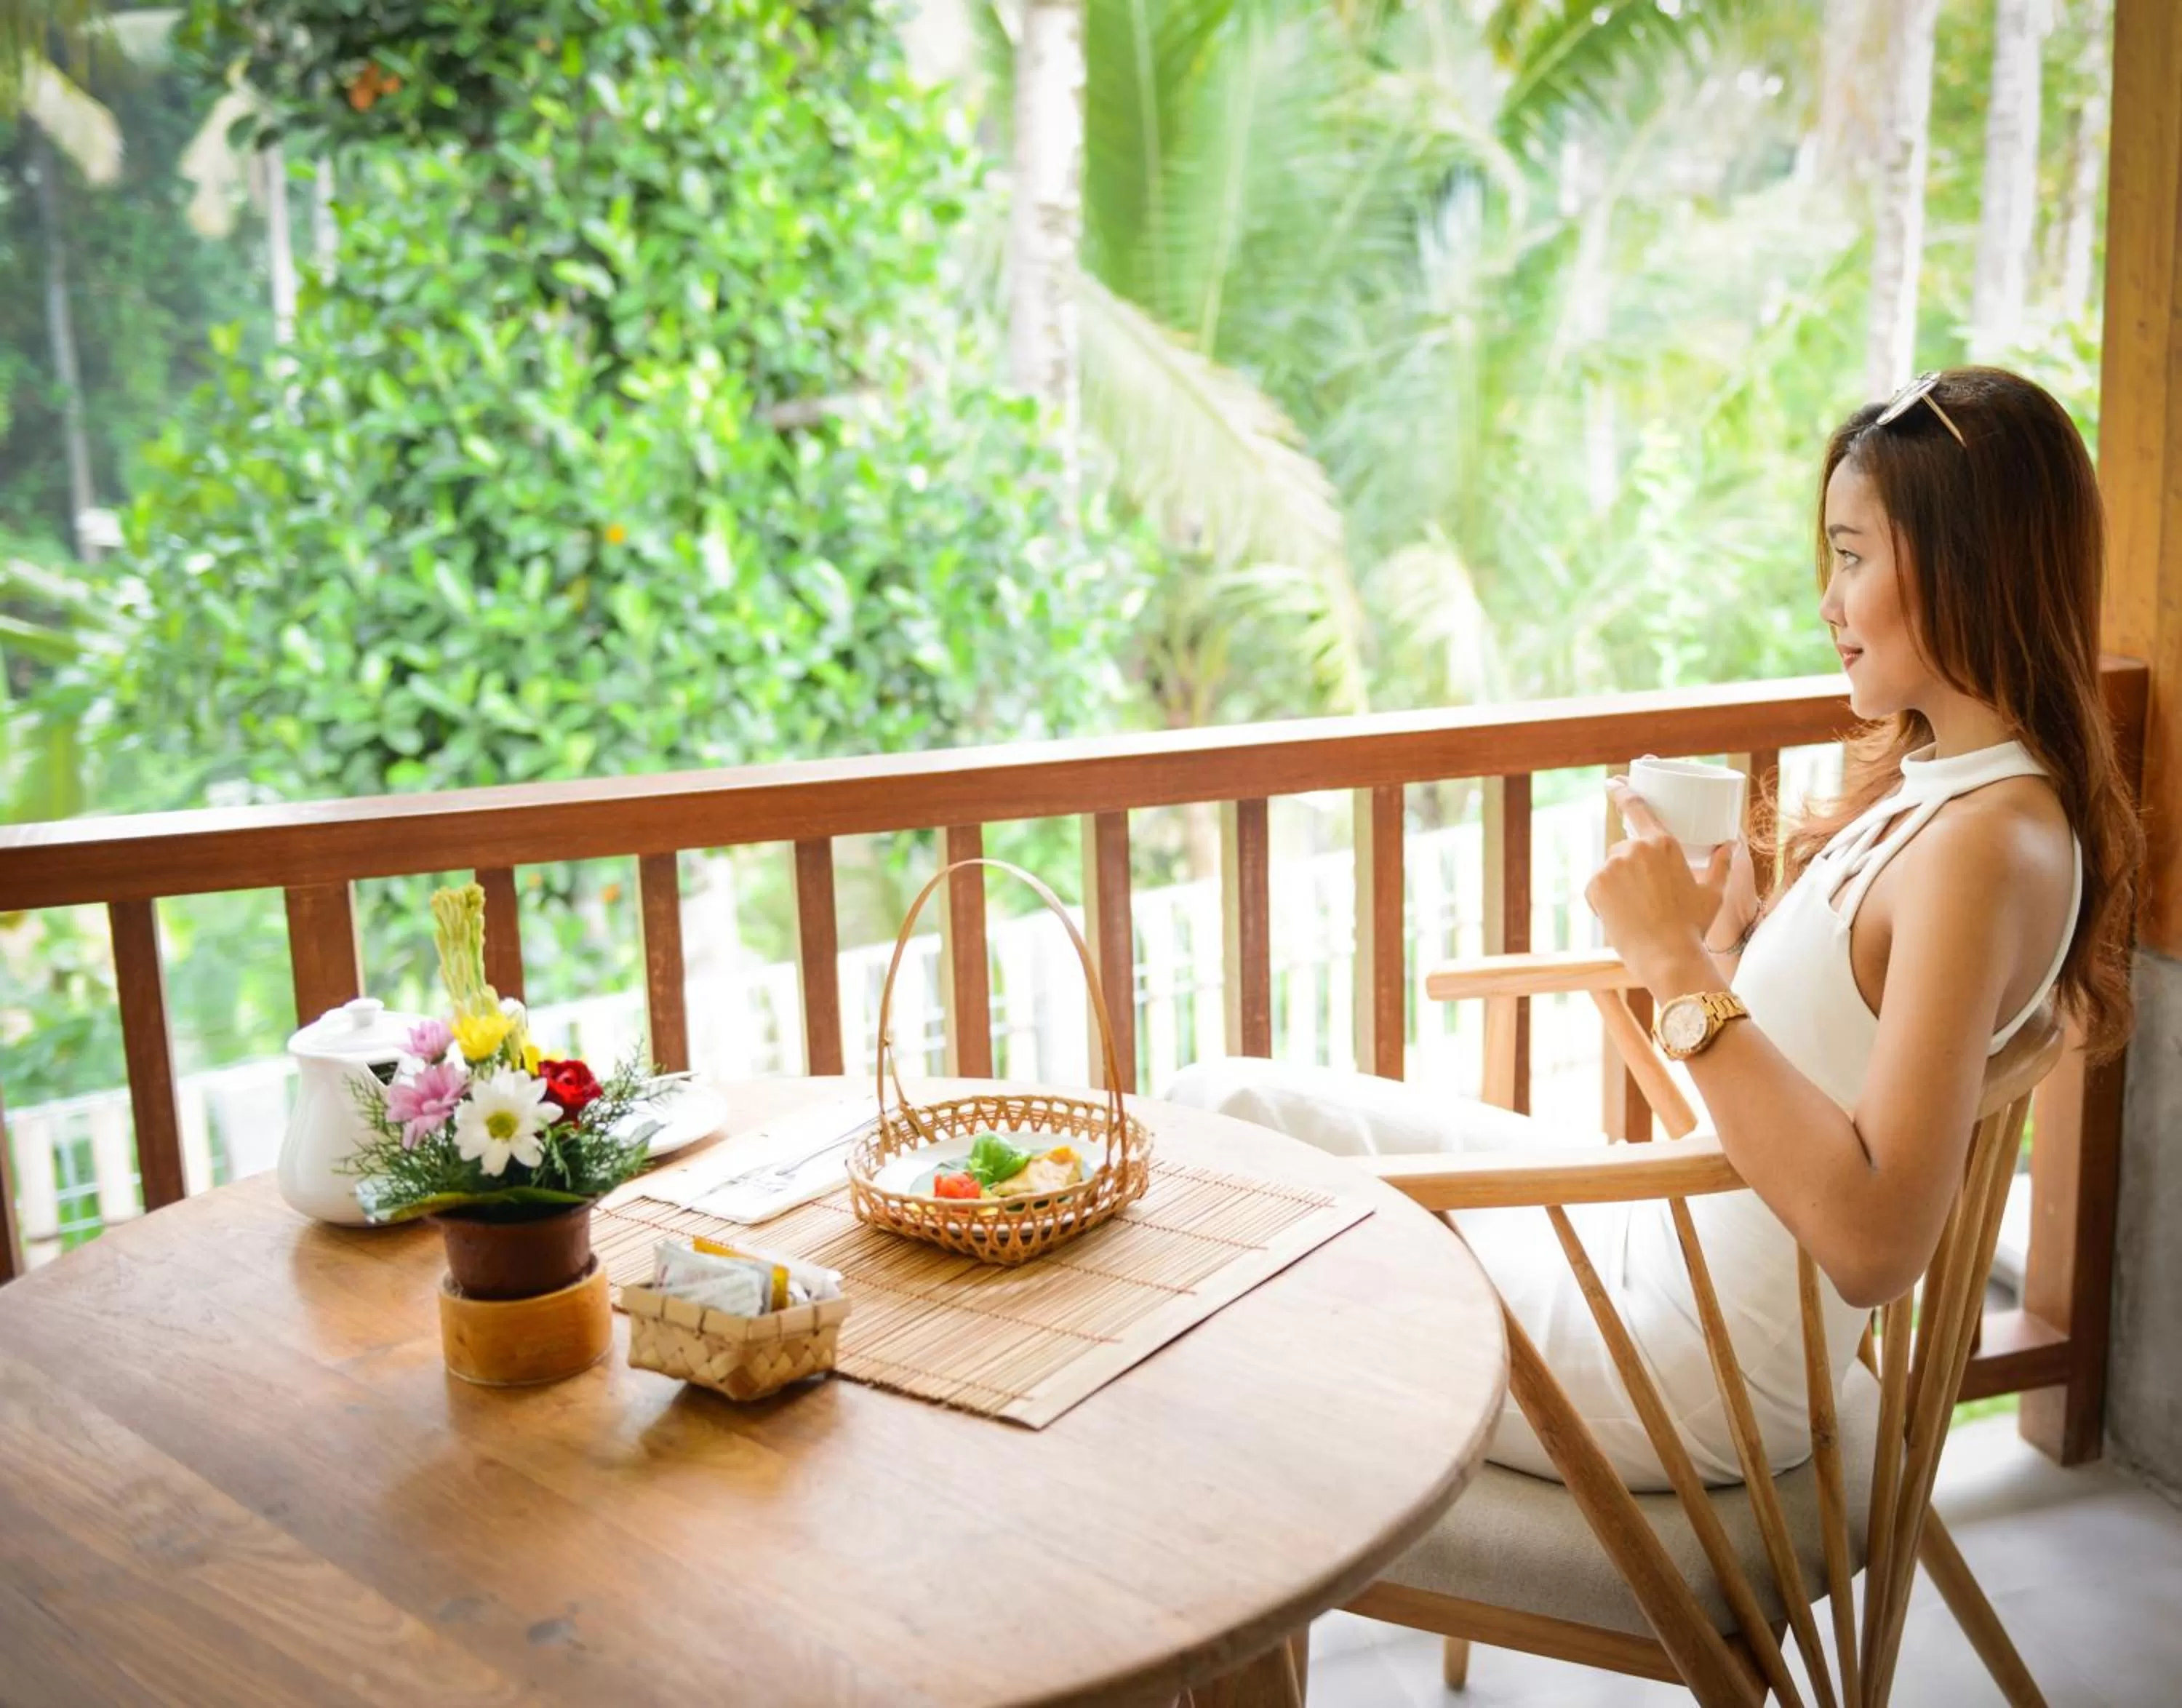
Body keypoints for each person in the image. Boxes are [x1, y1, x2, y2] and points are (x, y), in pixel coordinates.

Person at [1164, 367, 2142, 1490]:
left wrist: (1674, 966)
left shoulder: (1985, 846)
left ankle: (1198, 1604)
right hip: (1659, 1241)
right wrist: (1723, 945)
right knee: (1220, 1110)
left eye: (1855, 555)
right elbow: (1818, 1087)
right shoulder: (1946, 785)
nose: (1828, 600)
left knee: (1238, 1239)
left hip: (1683, 1369)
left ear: (1970, 566)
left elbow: (1876, 1245)